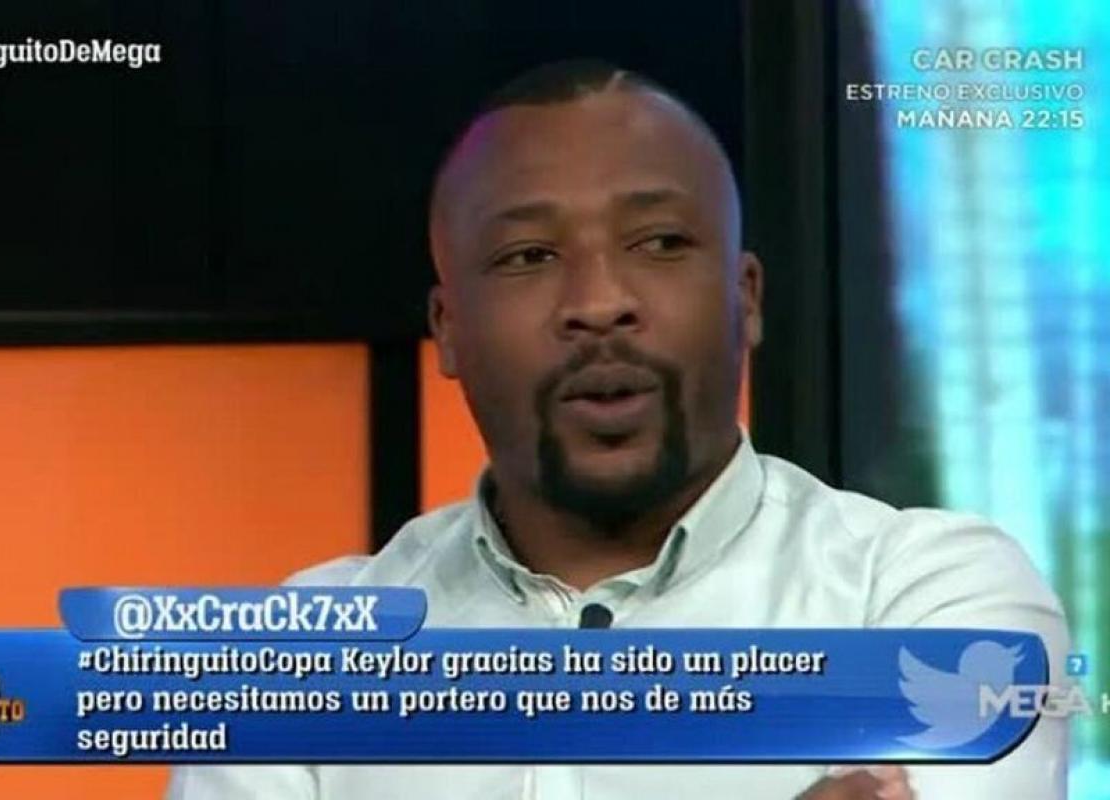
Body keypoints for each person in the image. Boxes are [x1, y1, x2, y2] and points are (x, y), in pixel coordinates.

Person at [168, 59, 1068, 799]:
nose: (600, 303)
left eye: (660, 243)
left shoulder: (927, 596)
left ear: (747, 297)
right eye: (529, 255)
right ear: (447, 329)